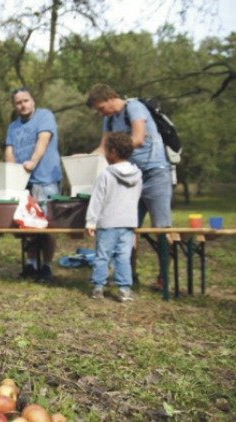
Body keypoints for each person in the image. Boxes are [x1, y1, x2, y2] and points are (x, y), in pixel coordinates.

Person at [86, 83, 172, 289]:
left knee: (162, 227)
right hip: (128, 178)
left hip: (154, 172)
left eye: (100, 108)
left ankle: (164, 277)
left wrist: (115, 152)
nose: (100, 113)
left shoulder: (134, 108)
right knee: (126, 227)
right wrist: (85, 158)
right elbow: (103, 147)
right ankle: (129, 275)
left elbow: (138, 139)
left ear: (110, 98)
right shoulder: (108, 119)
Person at [5, 87, 62, 282]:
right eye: (18, 102)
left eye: (25, 100)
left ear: (33, 100)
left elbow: (43, 141)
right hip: (23, 183)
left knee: (46, 225)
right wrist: (11, 173)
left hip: (45, 179)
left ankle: (46, 266)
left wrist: (33, 162)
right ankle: (31, 264)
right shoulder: (13, 126)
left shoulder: (45, 116)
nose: (23, 105)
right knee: (25, 224)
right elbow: (9, 150)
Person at [85, 132, 142, 301]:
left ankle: (98, 288)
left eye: (107, 151)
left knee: (103, 255)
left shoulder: (106, 174)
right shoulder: (138, 175)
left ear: (114, 152)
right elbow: (136, 199)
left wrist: (91, 221)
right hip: (128, 223)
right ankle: (124, 290)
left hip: (108, 223)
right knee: (123, 257)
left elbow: (97, 200)